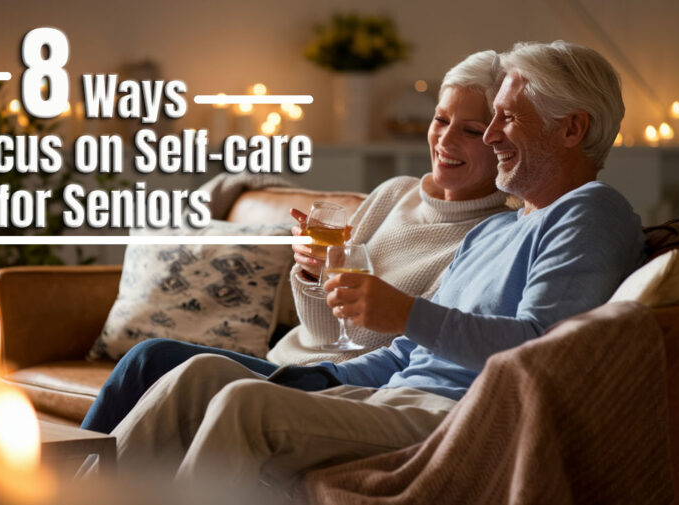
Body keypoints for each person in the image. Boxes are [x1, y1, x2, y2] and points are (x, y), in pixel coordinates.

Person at [110, 40, 646, 495]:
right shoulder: (496, 229)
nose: (490, 136)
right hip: (390, 394)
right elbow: (406, 353)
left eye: (507, 118)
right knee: (198, 375)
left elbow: (540, 351)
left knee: (245, 406)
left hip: (456, 415)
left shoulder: (591, 210)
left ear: (573, 128)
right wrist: (312, 379)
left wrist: (407, 312)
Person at [81, 49, 513, 433]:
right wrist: (313, 271)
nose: (445, 139)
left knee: (150, 360)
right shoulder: (394, 193)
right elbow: (323, 329)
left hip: (339, 386)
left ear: (500, 138)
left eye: (471, 130)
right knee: (149, 361)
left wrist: (352, 297)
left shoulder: (491, 237)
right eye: (440, 119)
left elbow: (395, 350)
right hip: (287, 364)